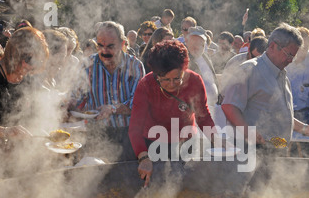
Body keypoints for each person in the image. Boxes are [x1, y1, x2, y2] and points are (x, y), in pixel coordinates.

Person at [129, 40, 217, 187]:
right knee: (153, 189)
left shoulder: (194, 81)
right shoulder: (146, 84)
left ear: (184, 70)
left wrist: (216, 140)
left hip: (185, 143)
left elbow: (203, 116)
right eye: (164, 80)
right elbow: (135, 127)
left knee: (186, 188)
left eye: (177, 79)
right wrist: (143, 157)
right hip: (153, 144)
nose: (171, 84)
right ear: (156, 75)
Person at [221, 23, 309, 152]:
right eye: (289, 54)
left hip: (275, 152)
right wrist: (248, 133)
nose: (291, 60)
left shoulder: (282, 74)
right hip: (251, 151)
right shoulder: (250, 70)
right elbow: (229, 106)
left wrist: (305, 129)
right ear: (273, 46)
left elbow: (281, 114)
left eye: (293, 56)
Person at [69, 21, 145, 161]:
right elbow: (77, 97)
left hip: (128, 134)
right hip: (96, 134)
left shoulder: (135, 66)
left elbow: (139, 103)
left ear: (123, 44)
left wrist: (112, 108)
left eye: (110, 46)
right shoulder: (87, 65)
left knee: (126, 179)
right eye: (100, 46)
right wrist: (67, 105)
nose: (104, 51)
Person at [0, 27, 49, 155]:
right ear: (16, 54)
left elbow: (30, 116)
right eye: (30, 60)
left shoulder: (27, 80)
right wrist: (5, 131)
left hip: (17, 156)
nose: (33, 68)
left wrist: (40, 131)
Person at [186, 26, 225, 128]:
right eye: (193, 43)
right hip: (196, 113)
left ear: (204, 44)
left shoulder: (205, 56)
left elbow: (212, 77)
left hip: (213, 109)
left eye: (199, 43)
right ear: (187, 42)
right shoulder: (185, 59)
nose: (196, 46)